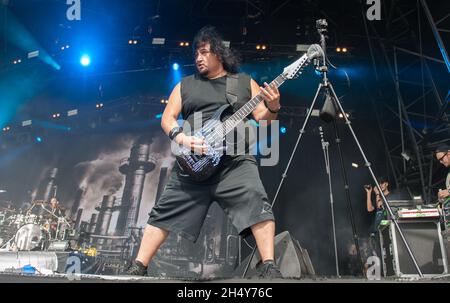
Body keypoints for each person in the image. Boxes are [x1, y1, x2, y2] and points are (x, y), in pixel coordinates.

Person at [126, 26, 282, 278]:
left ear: (218, 54)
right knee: (163, 211)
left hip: (234, 162)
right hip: (193, 164)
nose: (198, 58)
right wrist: (182, 138)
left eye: (203, 52)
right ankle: (138, 266)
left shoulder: (243, 82)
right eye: (195, 54)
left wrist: (273, 106)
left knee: (256, 201)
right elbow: (168, 118)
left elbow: (263, 118)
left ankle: (269, 265)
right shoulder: (185, 85)